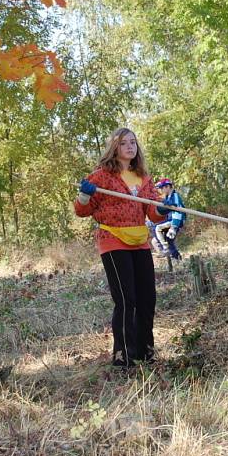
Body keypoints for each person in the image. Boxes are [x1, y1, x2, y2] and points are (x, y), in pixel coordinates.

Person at [74, 128, 165, 367]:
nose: (129, 147)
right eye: (124, 143)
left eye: (133, 142)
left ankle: (146, 351)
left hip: (139, 241)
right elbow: (81, 210)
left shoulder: (143, 178)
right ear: (115, 148)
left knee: (147, 298)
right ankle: (123, 355)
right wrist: (85, 195)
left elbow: (153, 213)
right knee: (126, 299)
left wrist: (162, 209)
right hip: (113, 240)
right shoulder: (101, 177)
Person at [152, 178, 186, 260]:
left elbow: (178, 211)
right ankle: (177, 258)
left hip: (176, 221)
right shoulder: (168, 197)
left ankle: (165, 249)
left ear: (167, 186)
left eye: (162, 188)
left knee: (157, 228)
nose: (161, 190)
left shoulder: (175, 196)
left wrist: (174, 227)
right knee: (169, 240)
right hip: (171, 221)